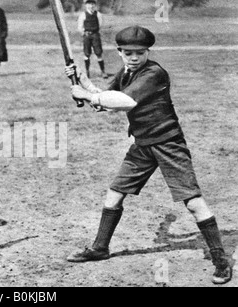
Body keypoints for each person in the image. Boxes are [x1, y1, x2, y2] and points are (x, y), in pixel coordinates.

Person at [64, 25, 232, 285]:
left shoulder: (154, 73)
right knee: (114, 194)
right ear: (119, 52)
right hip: (142, 144)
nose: (134, 57)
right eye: (128, 52)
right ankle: (100, 248)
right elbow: (108, 100)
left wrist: (86, 95)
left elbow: (125, 102)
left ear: (147, 52)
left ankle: (221, 260)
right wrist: (83, 82)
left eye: (140, 52)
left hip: (168, 144)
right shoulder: (126, 73)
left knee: (193, 202)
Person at [77, 0, 108, 79]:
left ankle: (103, 71)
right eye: (89, 4)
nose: (91, 6)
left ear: (95, 5)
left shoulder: (98, 14)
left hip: (95, 35)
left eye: (92, 4)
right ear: (86, 5)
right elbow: (80, 26)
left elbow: (100, 25)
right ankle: (87, 72)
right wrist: (84, 33)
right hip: (87, 35)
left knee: (98, 52)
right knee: (87, 53)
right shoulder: (83, 15)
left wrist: (95, 32)